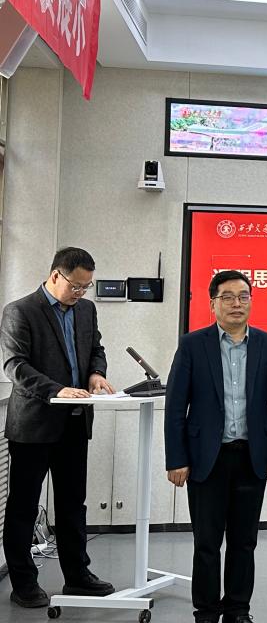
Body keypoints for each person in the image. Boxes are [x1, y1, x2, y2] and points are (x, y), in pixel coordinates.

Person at [164, 270, 267, 623]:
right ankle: (206, 612)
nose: (237, 303)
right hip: (207, 458)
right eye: (228, 297)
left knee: (244, 541)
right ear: (213, 303)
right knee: (206, 542)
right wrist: (176, 458)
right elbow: (176, 406)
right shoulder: (193, 344)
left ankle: (238, 609)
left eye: (243, 296)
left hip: (252, 456)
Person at [0, 247, 115, 608]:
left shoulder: (86, 310)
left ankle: (78, 576)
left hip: (75, 423)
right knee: (23, 506)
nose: (81, 293)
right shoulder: (20, 311)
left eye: (86, 287)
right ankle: (24, 584)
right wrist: (57, 390)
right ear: (55, 276)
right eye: (76, 286)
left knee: (72, 504)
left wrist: (96, 373)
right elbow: (15, 365)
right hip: (33, 425)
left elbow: (96, 349)